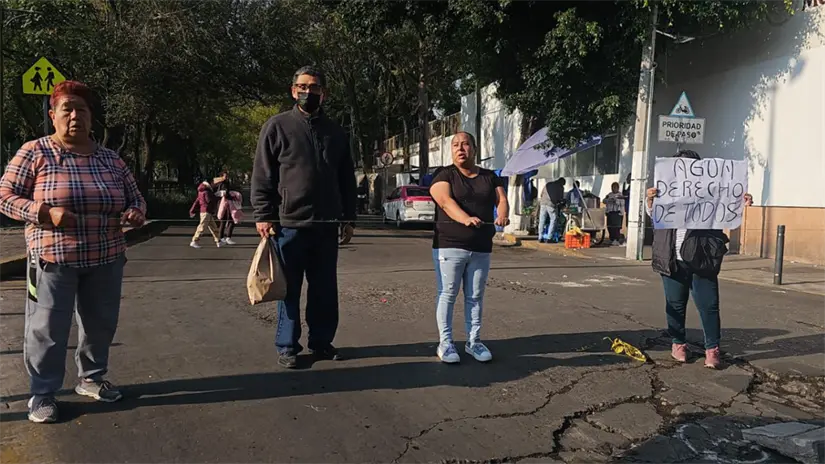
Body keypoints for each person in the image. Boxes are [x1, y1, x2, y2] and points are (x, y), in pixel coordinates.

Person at [0, 80, 146, 423]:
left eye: (82, 109)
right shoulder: (35, 152)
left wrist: (136, 213)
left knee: (99, 324)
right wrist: (43, 213)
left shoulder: (110, 159)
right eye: (67, 109)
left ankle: (91, 379)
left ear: (91, 118)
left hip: (106, 256)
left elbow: (135, 197)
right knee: (48, 328)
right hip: (52, 259)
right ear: (53, 115)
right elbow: (4, 196)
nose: (75, 115)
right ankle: (43, 394)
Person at [251, 65, 357, 369]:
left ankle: (321, 342)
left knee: (324, 288)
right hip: (288, 226)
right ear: (292, 90)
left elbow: (346, 178)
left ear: (323, 93)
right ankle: (288, 345)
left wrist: (349, 217)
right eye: (302, 86)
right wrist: (263, 214)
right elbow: (263, 175)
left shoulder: (336, 132)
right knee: (290, 289)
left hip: (326, 226)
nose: (307, 92)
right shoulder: (277, 127)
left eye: (313, 87)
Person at [646, 150, 753, 369]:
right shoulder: (666, 189)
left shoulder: (712, 191)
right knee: (674, 305)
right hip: (671, 257)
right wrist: (649, 200)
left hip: (703, 257)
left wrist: (740, 200)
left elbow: (727, 205)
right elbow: (653, 215)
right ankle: (678, 344)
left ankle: (712, 349)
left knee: (709, 306)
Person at [429, 131, 509, 364]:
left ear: (474, 149)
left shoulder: (489, 176)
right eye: (455, 145)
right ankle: (446, 343)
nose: (460, 149)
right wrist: (464, 218)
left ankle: (474, 342)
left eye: (465, 144)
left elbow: (501, 199)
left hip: (481, 246)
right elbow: (444, 200)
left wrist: (502, 213)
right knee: (448, 294)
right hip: (450, 245)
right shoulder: (444, 174)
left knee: (475, 296)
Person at [189, 180, 222, 249]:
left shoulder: (201, 191)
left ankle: (218, 241)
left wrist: (192, 210)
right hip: (206, 212)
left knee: (213, 227)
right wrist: (218, 196)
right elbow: (209, 201)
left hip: (205, 211)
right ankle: (194, 241)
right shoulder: (207, 192)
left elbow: (197, 201)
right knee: (202, 227)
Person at [213, 171, 238, 245]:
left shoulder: (218, 183)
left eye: (227, 176)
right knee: (229, 220)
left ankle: (223, 238)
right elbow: (225, 194)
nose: (227, 177)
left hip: (222, 204)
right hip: (224, 204)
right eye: (225, 176)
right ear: (221, 176)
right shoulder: (223, 183)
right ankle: (227, 238)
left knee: (224, 221)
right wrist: (233, 196)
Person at [538, 178, 565, 243]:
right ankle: (549, 238)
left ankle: (540, 237)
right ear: (562, 183)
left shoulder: (548, 184)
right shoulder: (560, 187)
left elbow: (541, 194)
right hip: (551, 205)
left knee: (542, 220)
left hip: (543, 203)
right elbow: (560, 198)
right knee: (553, 219)